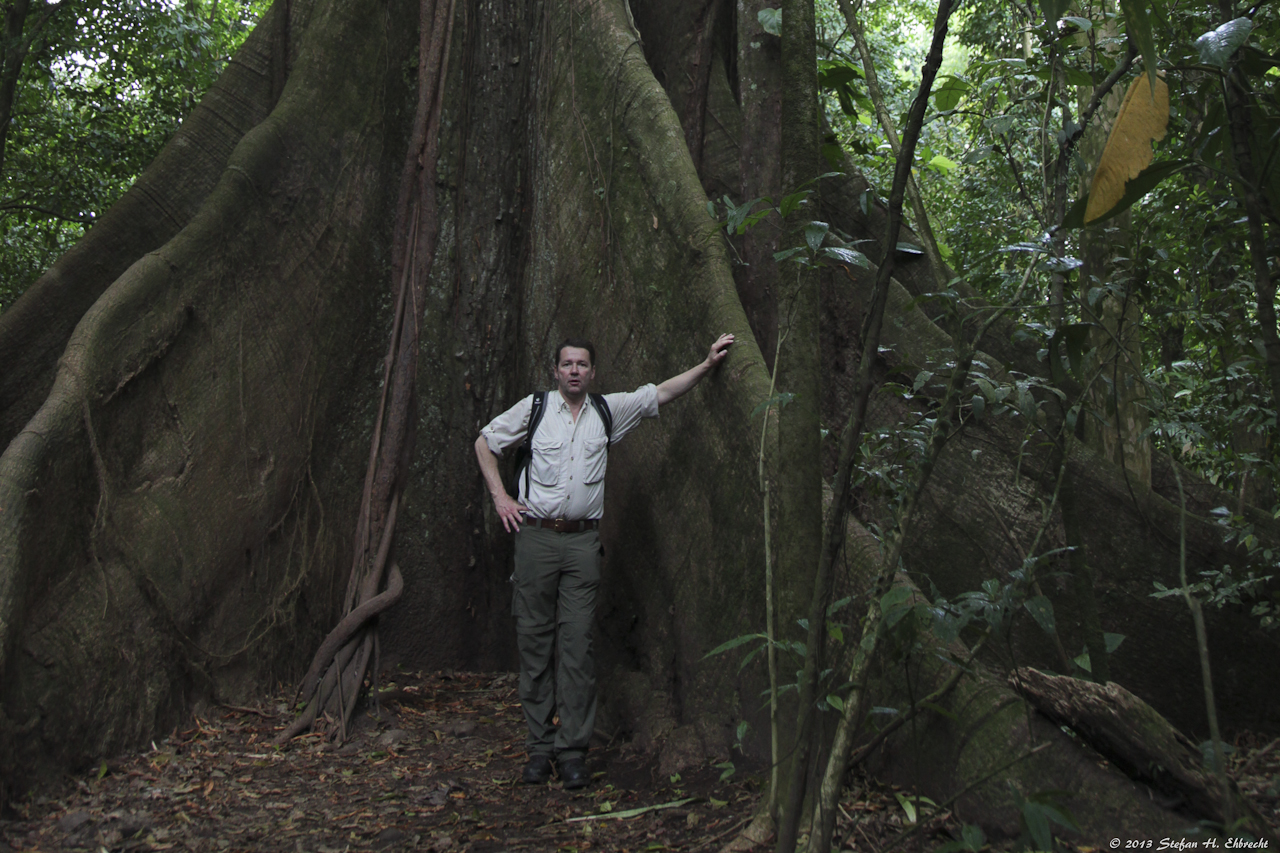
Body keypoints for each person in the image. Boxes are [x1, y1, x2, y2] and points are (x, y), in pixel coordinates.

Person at [474, 333, 734, 789]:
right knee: (534, 645)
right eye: (567, 364)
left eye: (582, 365)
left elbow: (661, 393)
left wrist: (707, 364)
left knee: (577, 648)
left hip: (582, 545)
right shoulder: (534, 409)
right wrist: (501, 498)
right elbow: (485, 443)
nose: (574, 370)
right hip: (534, 538)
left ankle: (572, 750)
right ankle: (539, 749)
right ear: (555, 371)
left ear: (593, 373)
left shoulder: (606, 411)